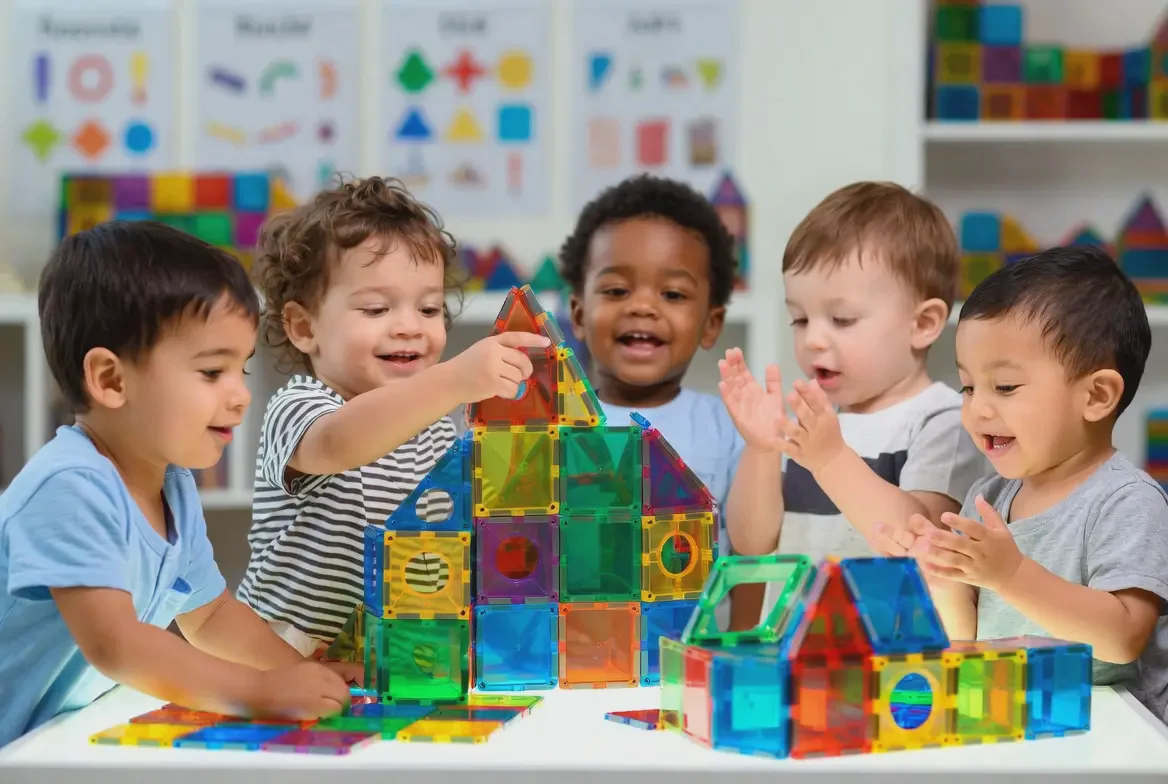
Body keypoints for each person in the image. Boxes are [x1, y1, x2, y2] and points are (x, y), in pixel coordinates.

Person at [0, 221, 360, 748]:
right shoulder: (71, 485)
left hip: (46, 744)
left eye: (242, 369)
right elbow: (119, 647)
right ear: (111, 380)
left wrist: (301, 673)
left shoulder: (172, 484)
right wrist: (260, 690)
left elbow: (210, 615)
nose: (240, 396)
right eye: (213, 372)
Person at [238, 176, 548, 655]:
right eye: (377, 308)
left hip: (388, 649)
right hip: (280, 650)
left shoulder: (435, 430)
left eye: (428, 309)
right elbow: (340, 444)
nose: (409, 327)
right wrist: (452, 380)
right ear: (303, 327)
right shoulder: (299, 405)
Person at [873, 245, 1168, 724]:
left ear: (1096, 396)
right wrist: (940, 579)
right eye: (968, 387)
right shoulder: (987, 498)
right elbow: (964, 640)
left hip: (1108, 726)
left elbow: (1121, 638)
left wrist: (1009, 575)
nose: (977, 409)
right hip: (1006, 713)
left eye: (1005, 387)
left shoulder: (1126, 501)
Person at [718, 181, 988, 615]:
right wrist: (762, 448)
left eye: (842, 319)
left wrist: (830, 459)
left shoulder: (943, 420)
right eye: (799, 319)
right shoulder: (814, 427)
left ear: (923, 324)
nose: (813, 340)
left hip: (893, 661)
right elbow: (753, 544)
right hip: (801, 649)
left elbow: (919, 539)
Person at [560, 174, 757, 628]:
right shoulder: (549, 424)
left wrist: (745, 650)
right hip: (569, 664)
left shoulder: (729, 428)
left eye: (672, 294)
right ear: (578, 315)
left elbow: (751, 559)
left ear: (711, 324)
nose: (643, 307)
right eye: (616, 290)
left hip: (687, 661)